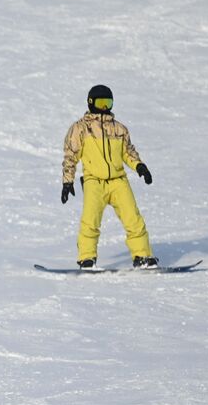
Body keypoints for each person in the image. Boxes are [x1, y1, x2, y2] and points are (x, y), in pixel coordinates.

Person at [61, 85, 157, 268]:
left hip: (119, 181)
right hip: (93, 182)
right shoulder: (80, 129)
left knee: (133, 219)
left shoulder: (119, 129)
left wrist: (140, 167)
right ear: (91, 103)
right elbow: (70, 156)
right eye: (101, 103)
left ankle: (142, 256)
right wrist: (67, 182)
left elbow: (128, 152)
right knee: (90, 221)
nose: (105, 107)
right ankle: (87, 258)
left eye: (108, 103)